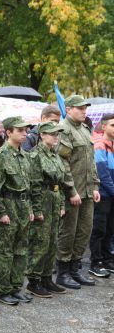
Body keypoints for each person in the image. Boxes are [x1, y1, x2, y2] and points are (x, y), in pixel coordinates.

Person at [55, 95, 101, 288]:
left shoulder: (84, 129)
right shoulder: (64, 130)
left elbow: (91, 162)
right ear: (69, 108)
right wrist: (71, 190)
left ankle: (75, 268)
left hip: (88, 190)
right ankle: (63, 272)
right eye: (80, 108)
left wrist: (96, 185)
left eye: (85, 108)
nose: (84, 111)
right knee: (68, 231)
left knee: (84, 231)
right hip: (71, 192)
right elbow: (62, 163)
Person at [0, 116, 33, 305]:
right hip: (8, 206)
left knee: (21, 250)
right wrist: (1, 213)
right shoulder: (0, 156)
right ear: (8, 132)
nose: (25, 133)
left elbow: (29, 187)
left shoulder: (25, 156)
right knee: (5, 251)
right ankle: (2, 290)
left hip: (23, 208)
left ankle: (16, 287)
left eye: (26, 130)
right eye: (20, 130)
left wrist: (31, 208)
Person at [26, 122, 70, 297]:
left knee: (52, 241)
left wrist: (60, 205)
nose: (55, 137)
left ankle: (46, 277)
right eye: (52, 134)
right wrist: (37, 209)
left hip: (54, 197)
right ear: (42, 135)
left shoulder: (55, 155)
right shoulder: (35, 155)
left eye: (57, 134)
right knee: (40, 242)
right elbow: (34, 185)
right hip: (42, 199)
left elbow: (59, 182)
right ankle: (34, 281)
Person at [89, 113, 114, 277]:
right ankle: (95, 262)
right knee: (99, 229)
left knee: (110, 229)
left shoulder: (111, 145)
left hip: (111, 194)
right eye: (112, 125)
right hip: (104, 194)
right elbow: (102, 173)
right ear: (103, 126)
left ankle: (106, 259)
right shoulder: (99, 145)